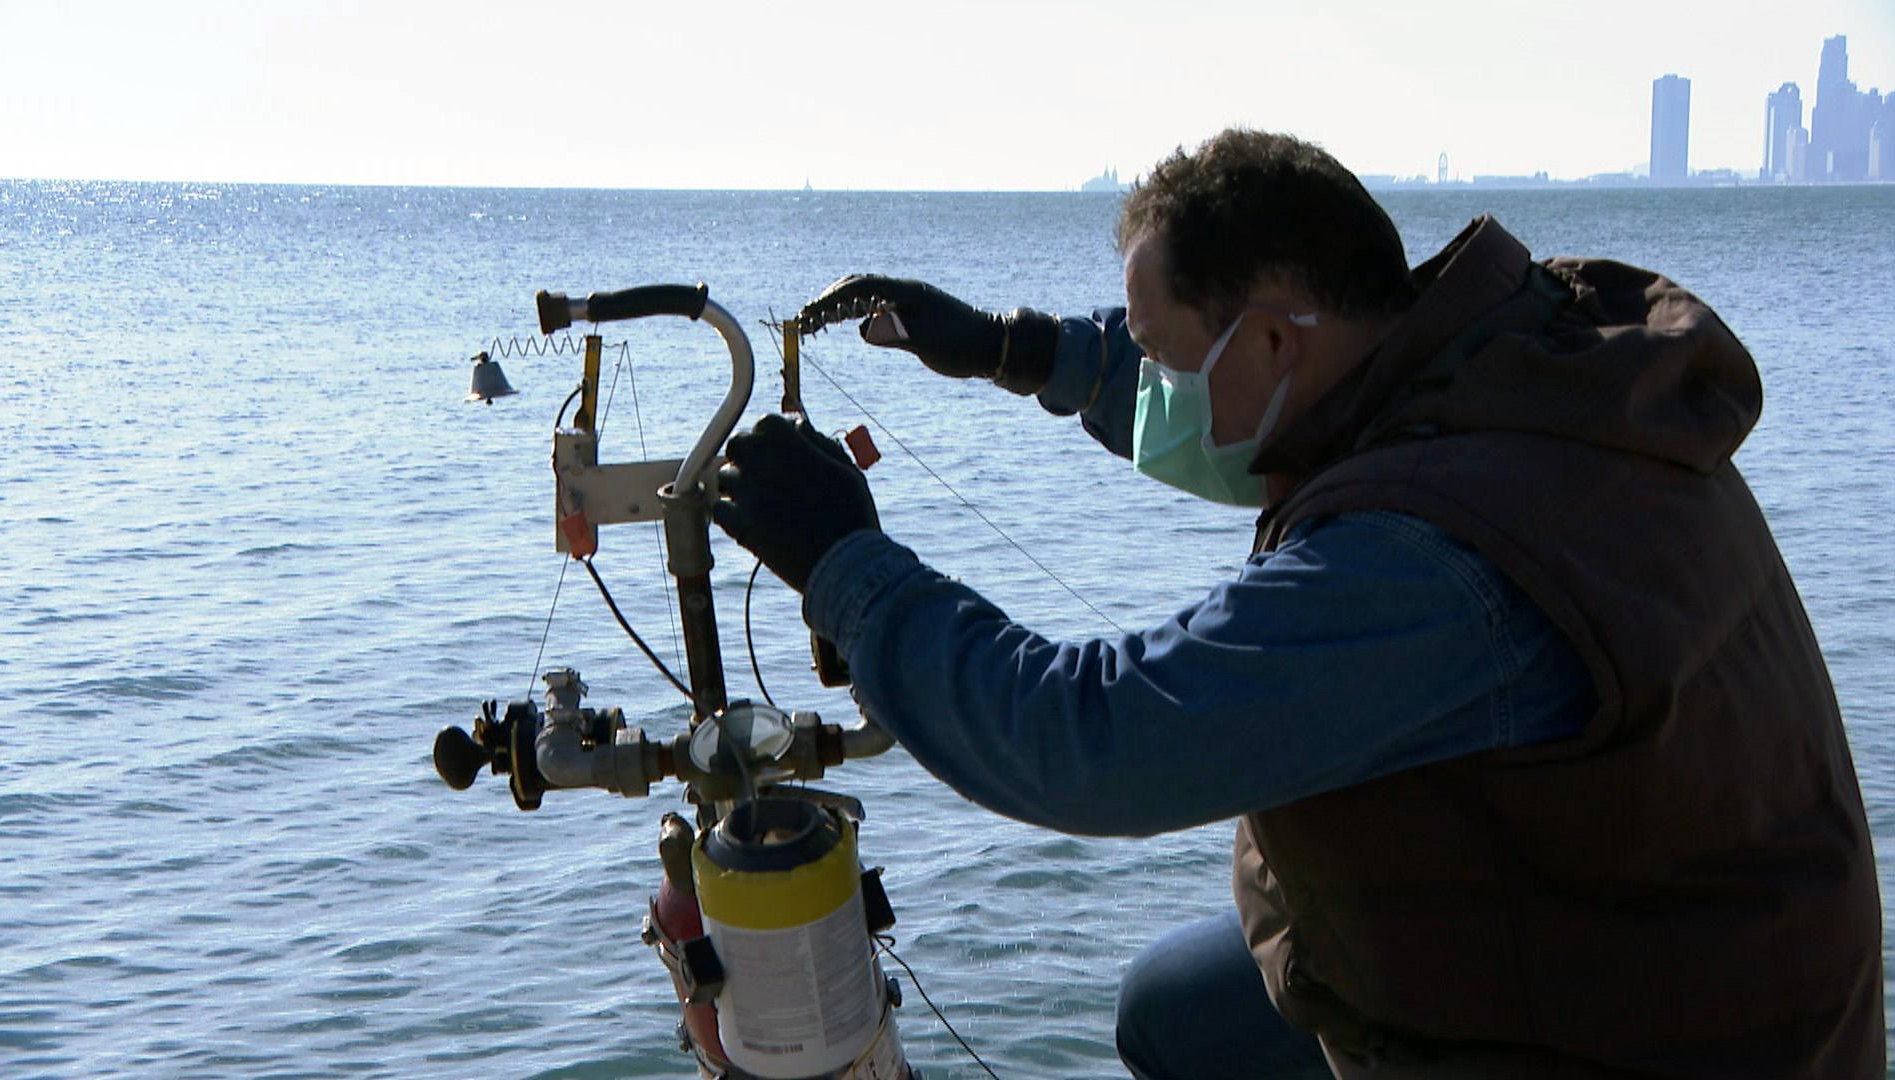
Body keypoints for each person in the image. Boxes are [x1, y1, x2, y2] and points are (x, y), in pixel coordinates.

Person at [710, 129, 1883, 1078]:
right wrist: (1016, 350)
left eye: (1161, 353)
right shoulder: (1520, 383)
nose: (1153, 383)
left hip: (1640, 1038)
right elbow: (1237, 415)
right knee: (1173, 1007)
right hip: (1651, 955)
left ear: (1272, 336)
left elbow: (1093, 742)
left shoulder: (1436, 565)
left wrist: (844, 562)